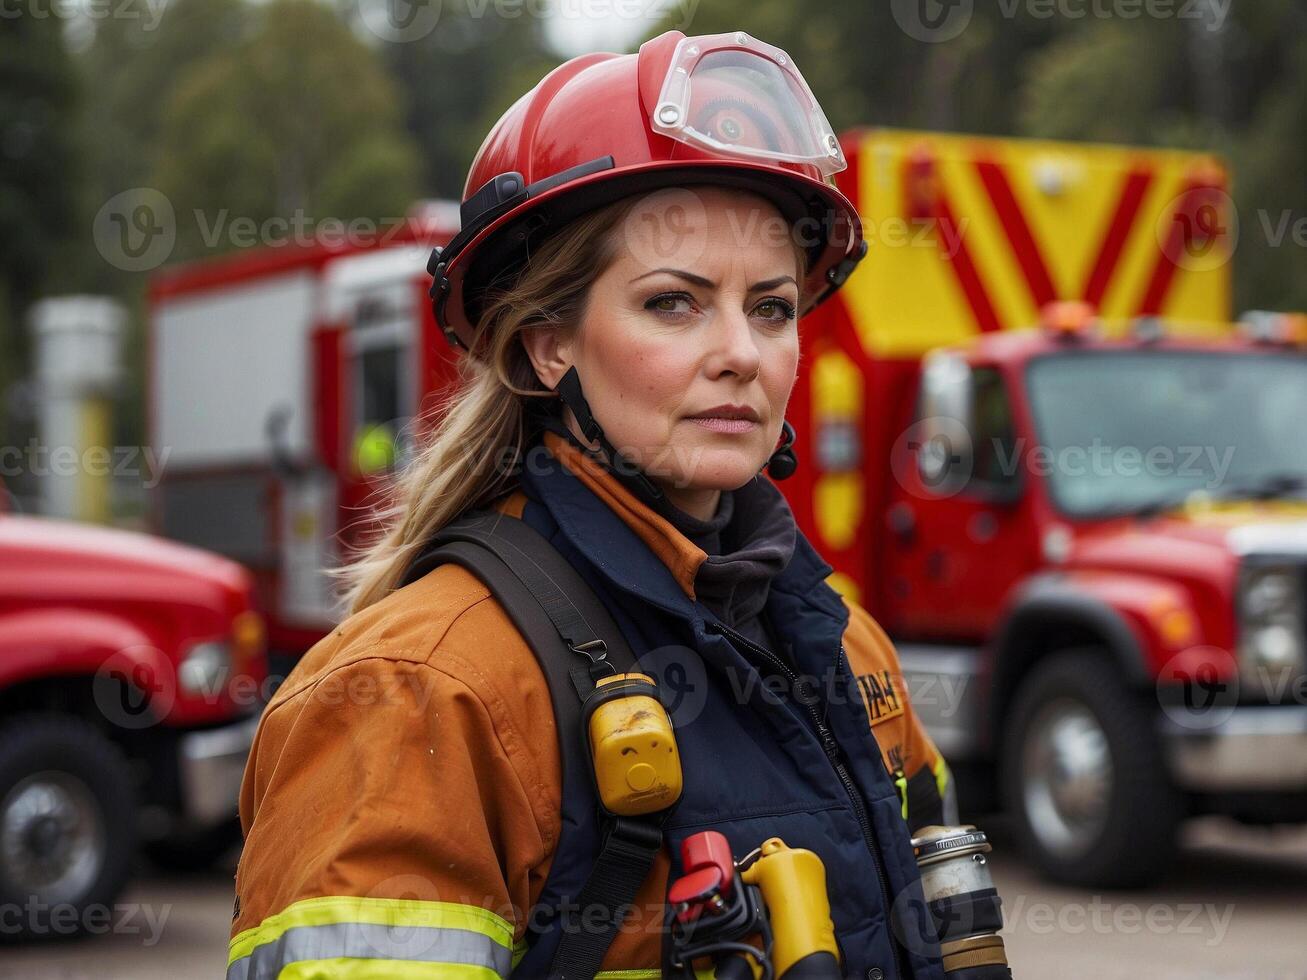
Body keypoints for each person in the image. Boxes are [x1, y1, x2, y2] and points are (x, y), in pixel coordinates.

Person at [229, 29, 957, 980]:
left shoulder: (848, 646)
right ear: (547, 347)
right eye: (674, 303)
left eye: (771, 307)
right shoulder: (422, 692)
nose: (742, 350)